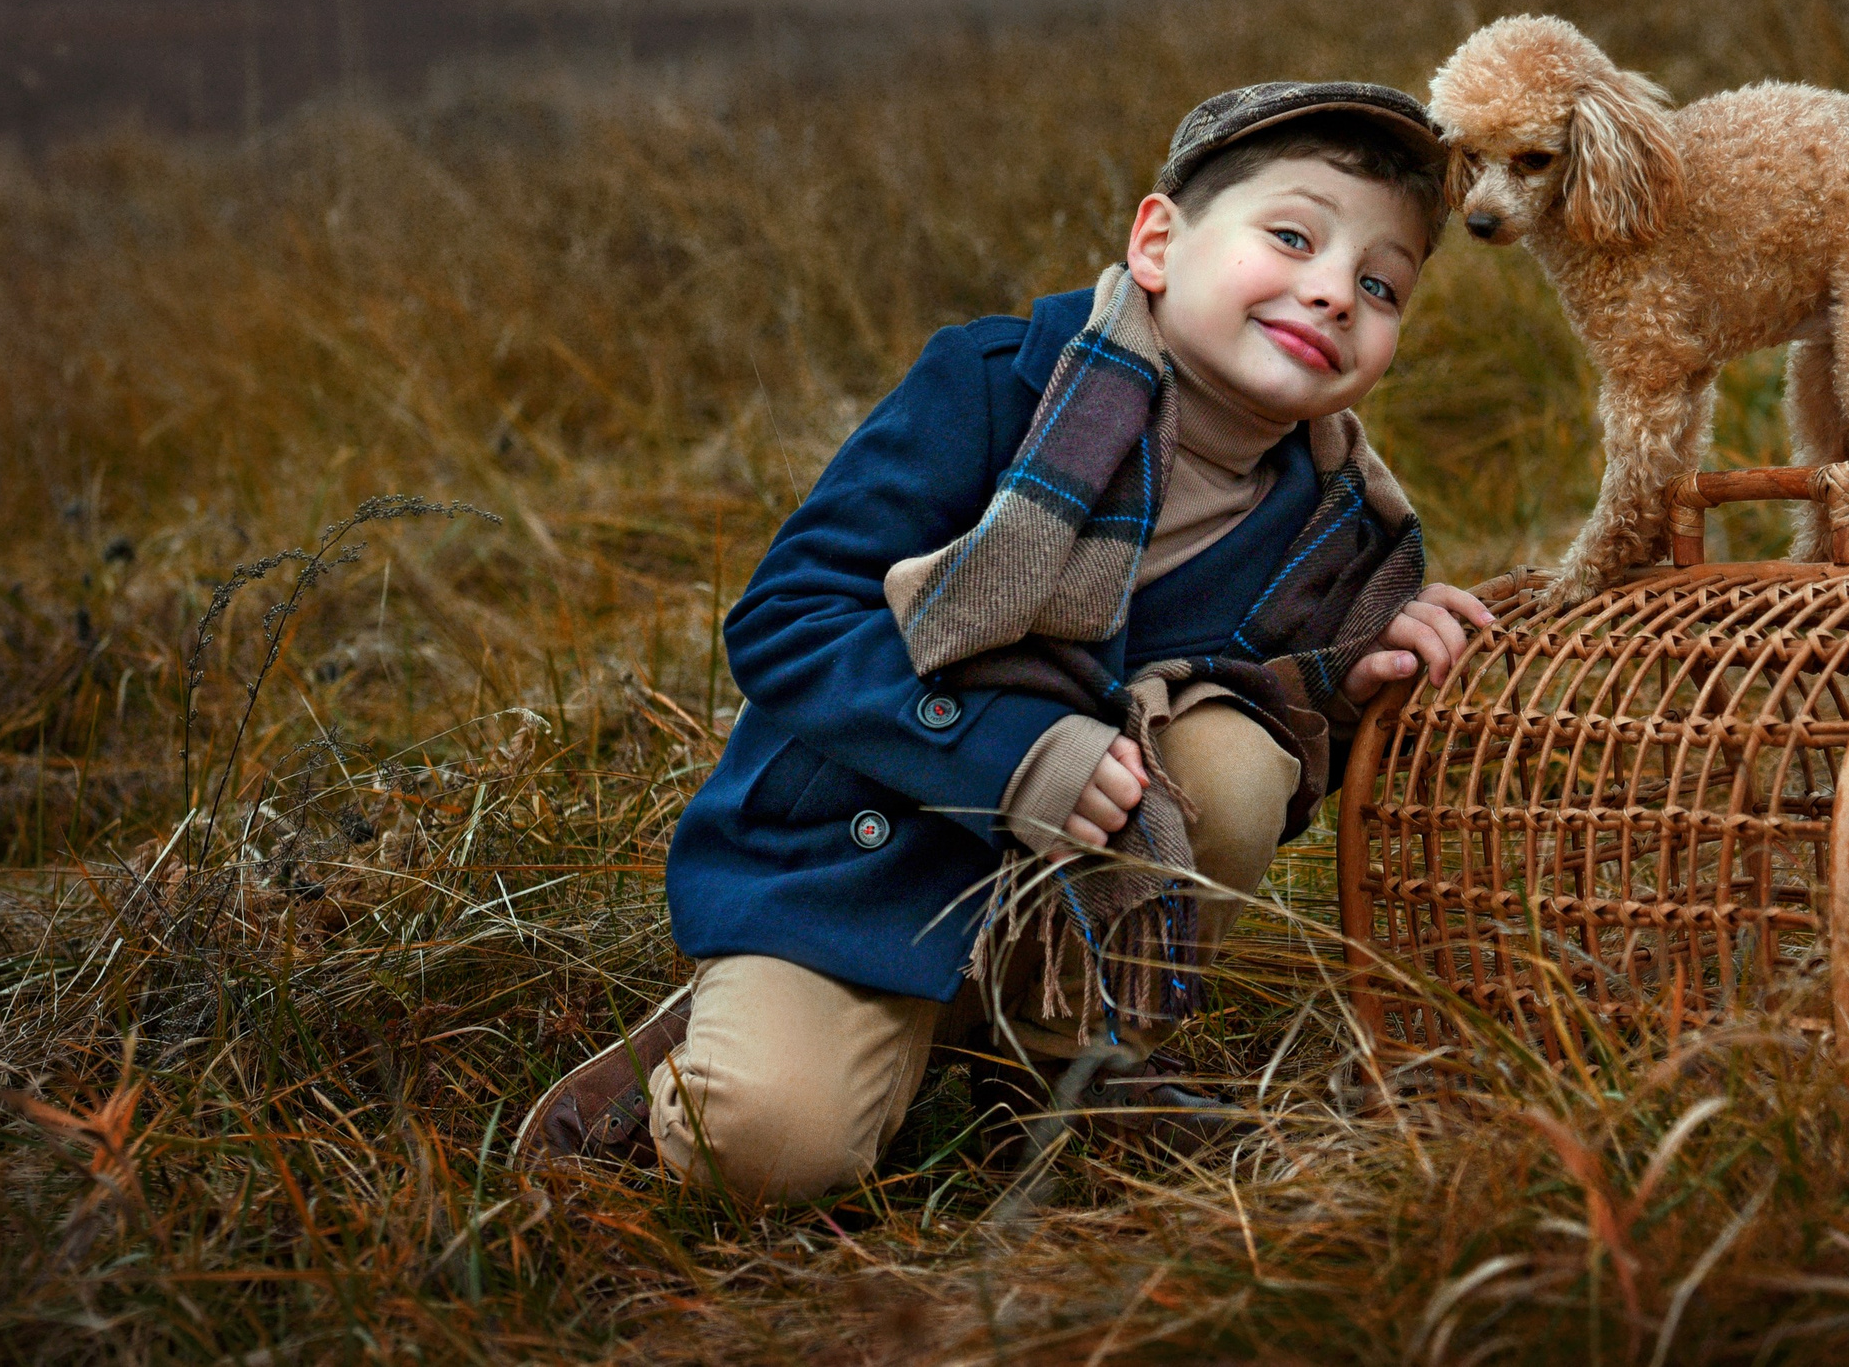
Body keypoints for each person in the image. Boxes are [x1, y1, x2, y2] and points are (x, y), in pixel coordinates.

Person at [514, 80, 1493, 1205]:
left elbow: (1277, 733)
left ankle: (1052, 1049)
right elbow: (787, 620)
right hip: (865, 851)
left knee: (1235, 763)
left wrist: (1356, 680)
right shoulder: (995, 388)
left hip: (1066, 893)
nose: (1332, 291)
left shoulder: (1334, 525)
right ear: (1160, 241)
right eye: (1291, 236)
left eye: (1381, 284)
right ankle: (746, 1020)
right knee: (769, 1150)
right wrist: (1007, 752)